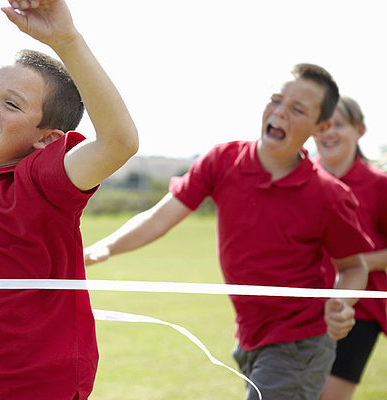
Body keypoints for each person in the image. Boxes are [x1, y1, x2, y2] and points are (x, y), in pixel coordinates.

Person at [84, 64, 372, 400]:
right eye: (276, 100)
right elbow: (159, 219)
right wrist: (103, 248)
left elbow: (354, 267)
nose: (279, 112)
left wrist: (341, 301)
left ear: (320, 127)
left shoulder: (329, 195)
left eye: (296, 109)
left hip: (300, 340)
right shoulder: (223, 161)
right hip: (250, 336)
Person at [0, 1, 139, 399]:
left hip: (40, 390)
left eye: (11, 103)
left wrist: (67, 41)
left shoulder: (45, 182)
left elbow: (119, 143)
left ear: (46, 139)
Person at [314, 97, 387, 400]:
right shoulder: (299, 180)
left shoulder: (379, 185)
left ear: (360, 130)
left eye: (339, 124)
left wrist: (356, 264)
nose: (329, 132)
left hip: (357, 310)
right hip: (302, 306)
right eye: (322, 125)